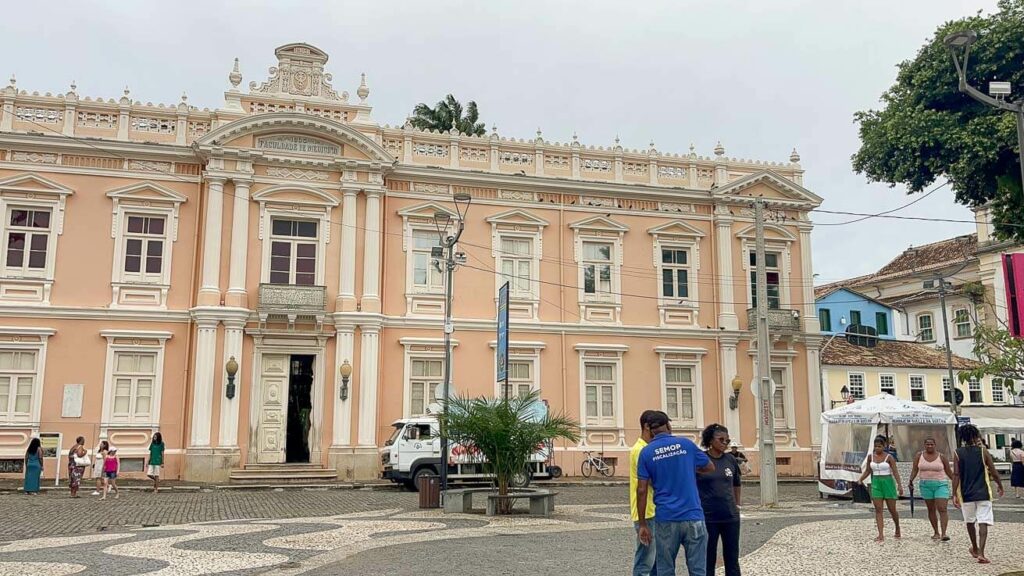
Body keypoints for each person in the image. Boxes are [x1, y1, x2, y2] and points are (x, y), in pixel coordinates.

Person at [636, 411, 715, 576]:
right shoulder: (686, 444)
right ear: (669, 426)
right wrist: (688, 469)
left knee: (665, 570)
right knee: (698, 570)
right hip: (693, 516)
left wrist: (643, 524)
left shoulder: (646, 452)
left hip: (666, 518)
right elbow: (709, 467)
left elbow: (642, 490)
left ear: (650, 430)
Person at [952, 424, 1004, 564]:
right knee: (983, 521)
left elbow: (956, 474)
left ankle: (974, 547)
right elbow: (993, 471)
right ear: (976, 436)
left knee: (969, 521)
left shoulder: (958, 452)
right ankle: (981, 552)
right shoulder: (983, 451)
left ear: (962, 437)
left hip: (965, 493)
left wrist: (954, 494)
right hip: (983, 492)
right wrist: (1000, 485)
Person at [697, 424, 741, 576]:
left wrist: (737, 505)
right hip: (708, 517)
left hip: (730, 517)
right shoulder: (701, 459)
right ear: (710, 440)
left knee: (732, 558)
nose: (724, 443)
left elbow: (736, 483)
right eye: (721, 439)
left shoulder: (730, 459)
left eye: (727, 441)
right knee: (708, 558)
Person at [856, 434, 903, 542]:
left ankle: (897, 527)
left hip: (888, 482)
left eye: (879, 446)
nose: (877, 448)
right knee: (878, 509)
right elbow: (868, 470)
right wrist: (861, 479)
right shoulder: (870, 457)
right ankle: (880, 533)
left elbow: (895, 472)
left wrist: (899, 485)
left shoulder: (889, 457)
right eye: (875, 446)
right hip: (876, 483)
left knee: (892, 509)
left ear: (884, 446)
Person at [908, 437, 954, 541]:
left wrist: (956, 483)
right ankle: (936, 532)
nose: (929, 446)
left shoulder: (941, 457)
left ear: (935, 445)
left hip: (940, 484)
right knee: (931, 509)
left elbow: (948, 472)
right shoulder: (919, 456)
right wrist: (911, 480)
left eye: (931, 444)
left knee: (942, 508)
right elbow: (915, 469)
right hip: (925, 484)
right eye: (927, 444)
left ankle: (944, 533)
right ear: (924, 445)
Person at [630, 410, 658, 576]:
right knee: (645, 559)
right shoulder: (641, 450)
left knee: (655, 558)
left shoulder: (645, 448)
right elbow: (648, 483)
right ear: (647, 427)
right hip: (646, 510)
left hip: (651, 508)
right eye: (659, 428)